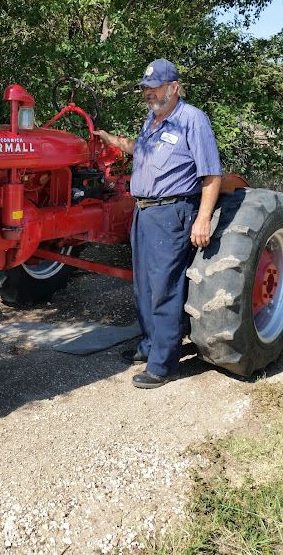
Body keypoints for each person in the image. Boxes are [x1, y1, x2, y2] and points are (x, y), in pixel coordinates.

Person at [94, 58, 222, 389]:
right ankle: (150, 345)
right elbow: (142, 151)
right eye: (146, 89)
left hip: (172, 212)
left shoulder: (192, 120)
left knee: (165, 286)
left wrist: (203, 217)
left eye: (155, 88)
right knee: (145, 286)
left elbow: (210, 174)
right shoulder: (152, 120)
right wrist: (113, 141)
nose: (148, 94)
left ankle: (163, 363)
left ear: (174, 87)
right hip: (143, 211)